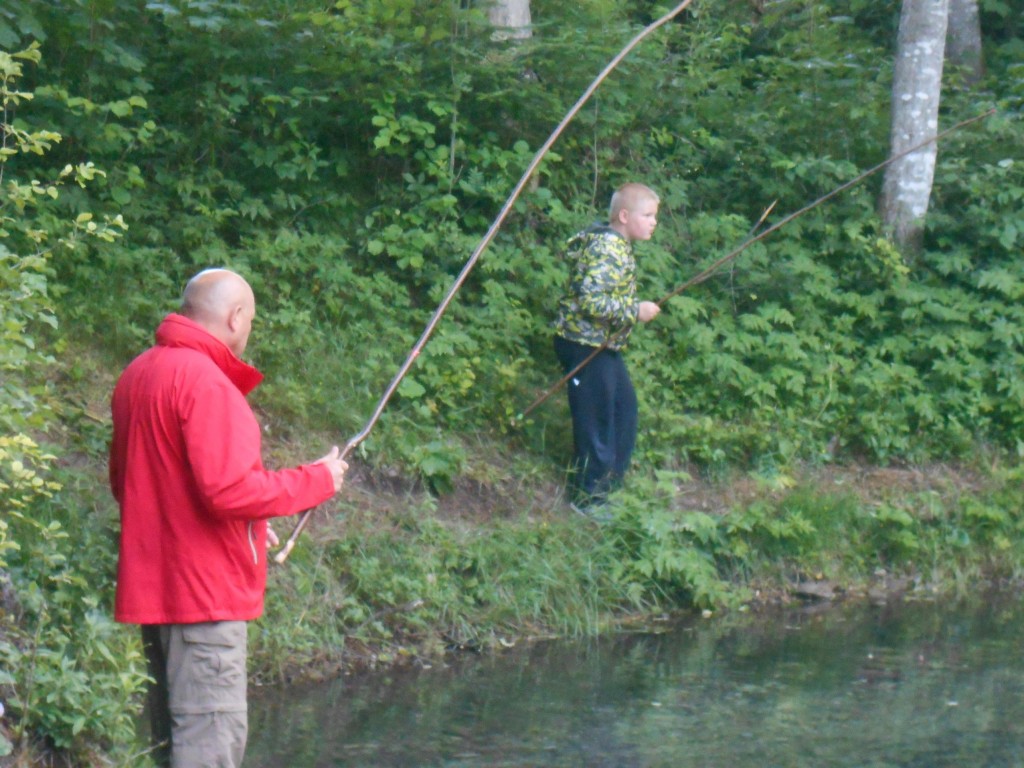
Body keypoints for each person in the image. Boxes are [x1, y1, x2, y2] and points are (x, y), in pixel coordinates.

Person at [109, 268, 348, 768]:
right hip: (205, 599)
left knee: (171, 745)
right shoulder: (208, 383)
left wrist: (250, 522)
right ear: (236, 317)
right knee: (208, 748)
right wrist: (319, 479)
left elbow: (131, 486)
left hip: (157, 593)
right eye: (251, 320)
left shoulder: (138, 373)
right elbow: (228, 489)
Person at [553, 182, 662, 514]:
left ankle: (609, 490)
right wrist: (634, 311)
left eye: (654, 216)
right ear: (625, 215)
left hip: (602, 345)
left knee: (623, 411)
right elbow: (590, 300)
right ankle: (589, 498)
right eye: (648, 215)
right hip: (583, 344)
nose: (653, 222)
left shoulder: (618, 246)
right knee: (597, 420)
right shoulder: (607, 249)